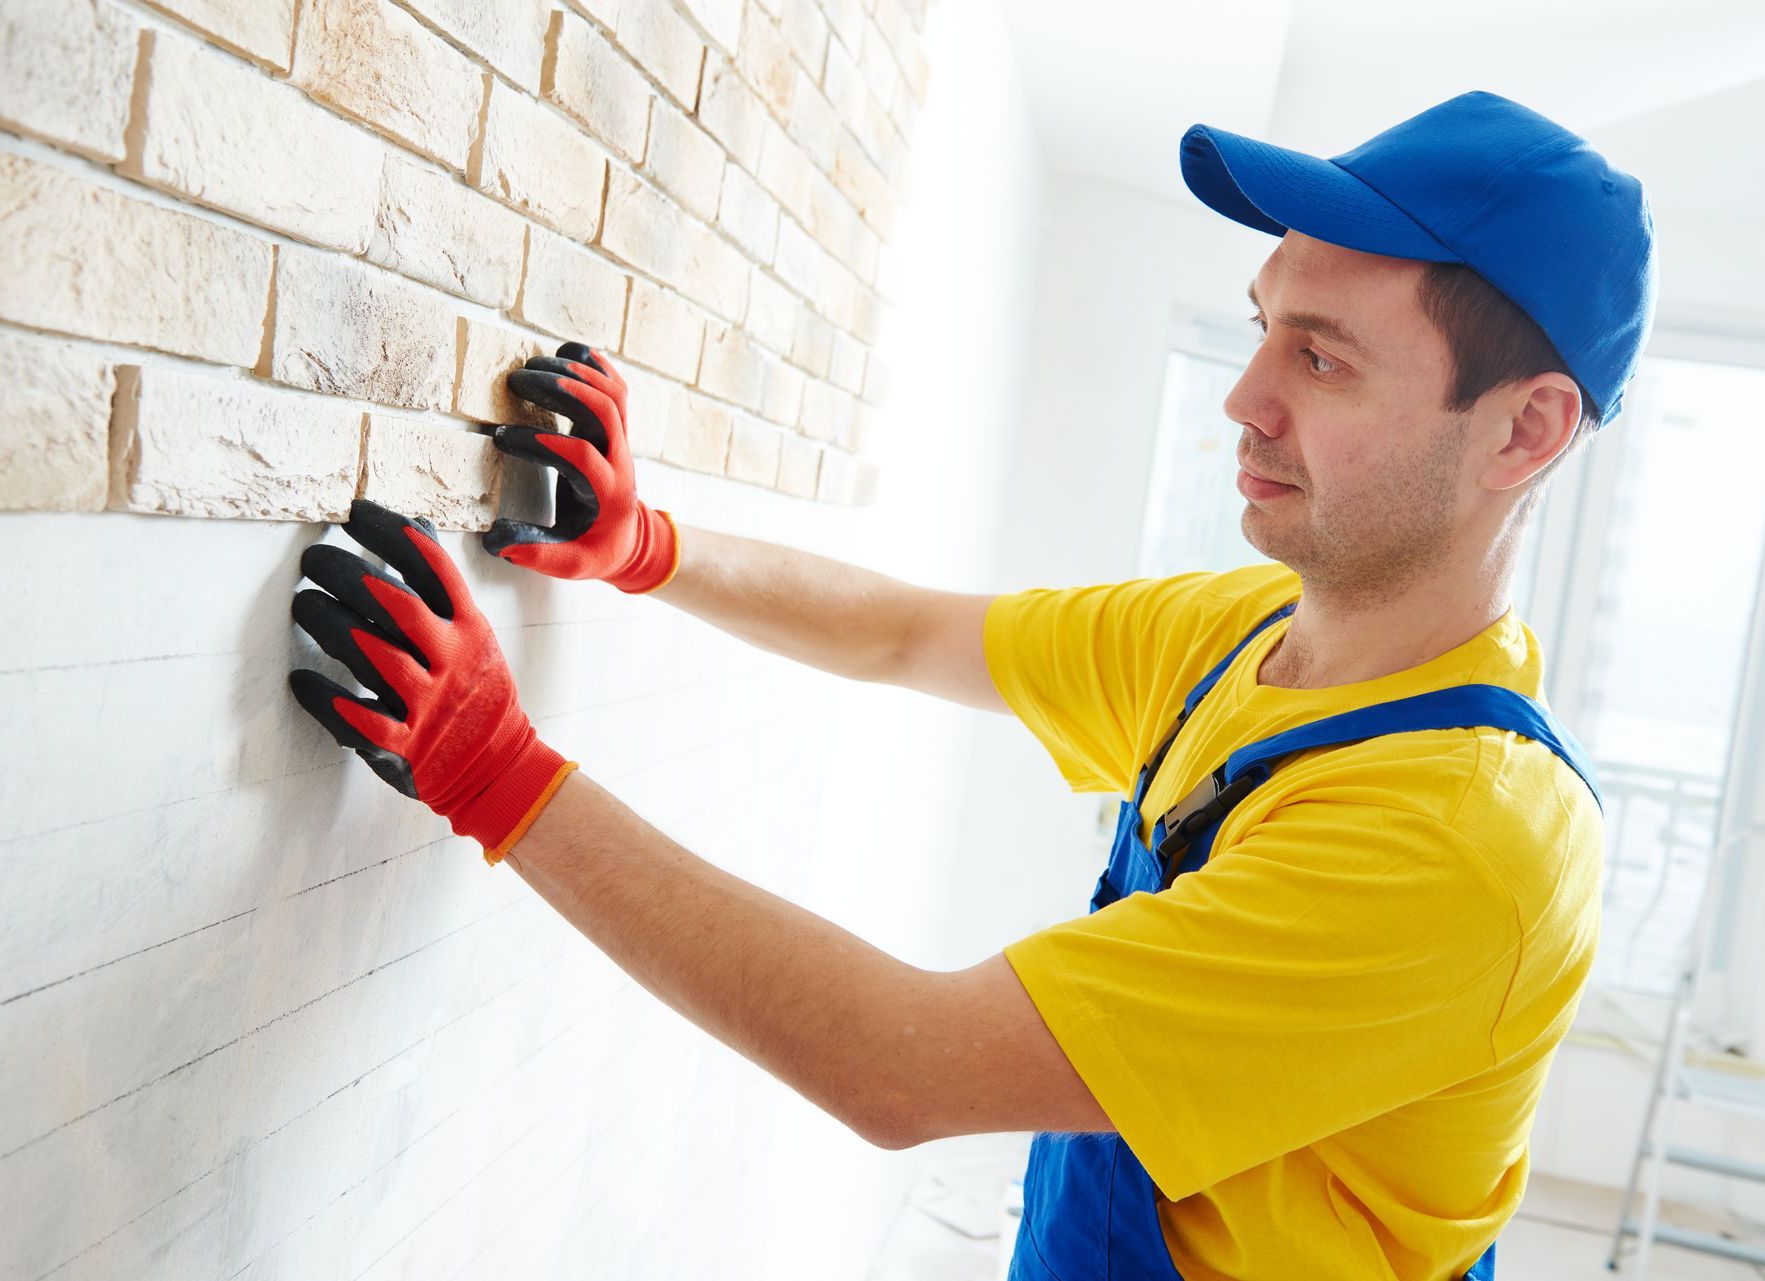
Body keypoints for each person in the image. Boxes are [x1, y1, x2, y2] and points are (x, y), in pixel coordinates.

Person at [289, 87, 1656, 1280]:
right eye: (1264, 327)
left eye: (1321, 354)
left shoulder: (1459, 843)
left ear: (1524, 431)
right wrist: (648, 549)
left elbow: (904, 1064)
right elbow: (907, 634)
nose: (1243, 397)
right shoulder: (1256, 635)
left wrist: (495, 770)